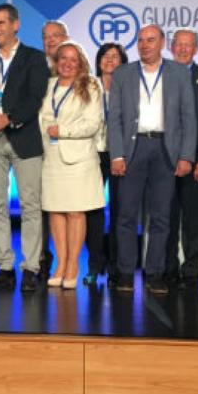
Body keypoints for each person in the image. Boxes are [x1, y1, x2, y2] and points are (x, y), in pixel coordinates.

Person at [107, 24, 197, 295]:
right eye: (141, 40)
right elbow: (115, 118)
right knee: (125, 216)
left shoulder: (179, 73)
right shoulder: (123, 74)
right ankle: (125, 272)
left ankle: (154, 273)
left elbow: (188, 118)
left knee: (161, 217)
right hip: (132, 150)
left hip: (164, 150)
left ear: (162, 43)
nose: (144, 45)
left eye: (150, 40)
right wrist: (117, 154)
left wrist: (186, 155)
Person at [0, 3, 51, 291]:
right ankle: (4, 266)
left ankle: (30, 267)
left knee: (30, 206)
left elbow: (35, 96)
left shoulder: (34, 58)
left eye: (1, 23)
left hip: (23, 138)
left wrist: (9, 118)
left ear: (15, 25)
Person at [40, 41, 104, 289]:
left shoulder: (90, 86)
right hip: (51, 157)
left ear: (81, 63)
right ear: (56, 62)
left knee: (76, 212)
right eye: (63, 58)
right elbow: (42, 117)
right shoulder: (48, 85)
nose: (67, 63)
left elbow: (92, 123)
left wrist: (62, 130)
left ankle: (73, 264)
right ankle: (60, 264)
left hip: (79, 160)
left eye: (73, 59)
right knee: (56, 211)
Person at [164, 29, 198, 291]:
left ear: (196, 49)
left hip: (195, 162)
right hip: (163, 161)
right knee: (166, 218)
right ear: (171, 47)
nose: (183, 50)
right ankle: (168, 268)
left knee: (192, 221)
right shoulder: (158, 75)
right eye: (179, 45)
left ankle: (191, 270)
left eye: (189, 46)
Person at [85, 42, 127, 284]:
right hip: (92, 154)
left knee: (121, 212)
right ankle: (94, 264)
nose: (110, 60)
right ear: (98, 60)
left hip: (120, 154)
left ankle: (115, 267)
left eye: (115, 56)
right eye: (106, 56)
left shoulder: (129, 86)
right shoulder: (88, 85)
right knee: (93, 212)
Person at [38, 20, 70, 275]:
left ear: (66, 38)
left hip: (70, 149)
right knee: (38, 204)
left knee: (68, 207)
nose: (50, 40)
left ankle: (69, 260)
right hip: (38, 148)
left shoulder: (78, 70)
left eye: (56, 35)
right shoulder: (35, 67)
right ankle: (41, 256)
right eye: (46, 37)